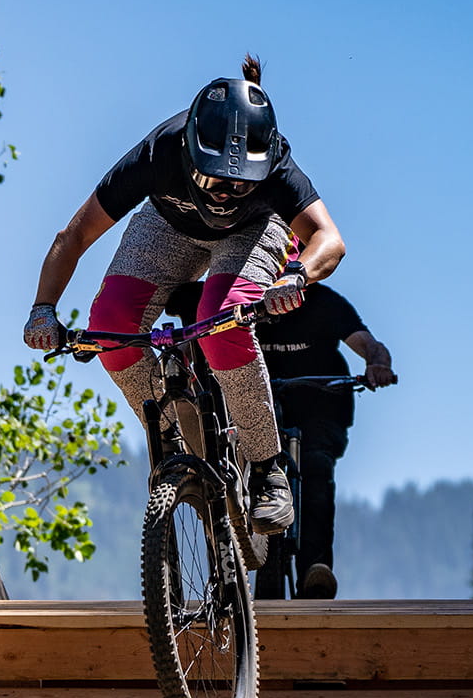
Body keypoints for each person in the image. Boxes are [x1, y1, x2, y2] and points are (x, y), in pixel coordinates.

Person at [21, 55, 346, 533]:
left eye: (240, 184)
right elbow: (73, 236)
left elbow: (330, 240)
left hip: (253, 232)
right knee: (110, 325)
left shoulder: (276, 163)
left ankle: (266, 469)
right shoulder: (159, 152)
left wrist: (295, 276)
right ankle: (176, 437)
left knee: (223, 320)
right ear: (191, 152)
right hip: (168, 226)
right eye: (215, 179)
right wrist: (42, 310)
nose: (225, 194)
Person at [169, 279, 395, 598]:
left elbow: (369, 344)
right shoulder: (244, 298)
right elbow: (197, 338)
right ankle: (227, 569)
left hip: (320, 403)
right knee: (227, 467)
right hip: (259, 403)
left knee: (317, 469)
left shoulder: (324, 302)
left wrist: (378, 364)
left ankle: (315, 571)